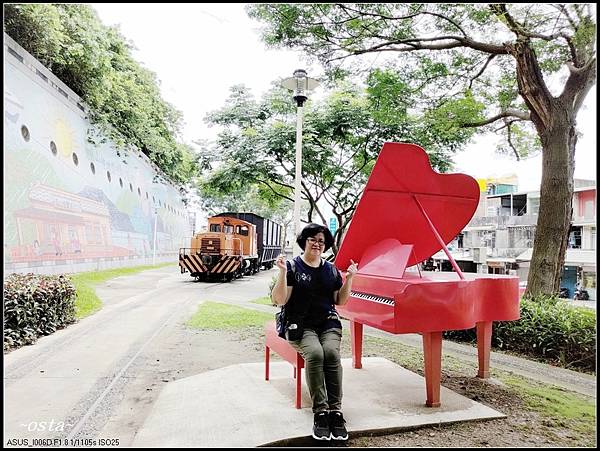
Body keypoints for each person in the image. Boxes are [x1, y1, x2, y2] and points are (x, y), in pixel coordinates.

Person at [271, 223, 358, 442]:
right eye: (313, 239)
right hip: (299, 324)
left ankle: (335, 412)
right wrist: (282, 273)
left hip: (327, 323)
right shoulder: (292, 267)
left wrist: (350, 279)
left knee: (331, 353)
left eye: (321, 241)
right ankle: (321, 412)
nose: (317, 244)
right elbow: (280, 300)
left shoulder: (330, 270)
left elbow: (340, 301)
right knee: (316, 354)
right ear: (304, 241)